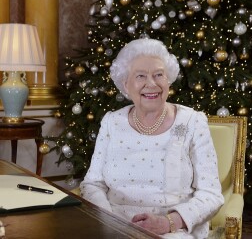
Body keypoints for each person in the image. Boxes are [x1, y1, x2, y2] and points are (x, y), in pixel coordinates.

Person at [80, 38, 224, 238]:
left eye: (159, 75)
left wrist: (168, 223)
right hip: (113, 226)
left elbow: (211, 195)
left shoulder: (192, 122)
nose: (152, 84)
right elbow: (93, 184)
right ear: (126, 84)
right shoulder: (112, 122)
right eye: (140, 76)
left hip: (172, 229)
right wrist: (109, 222)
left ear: (168, 80)